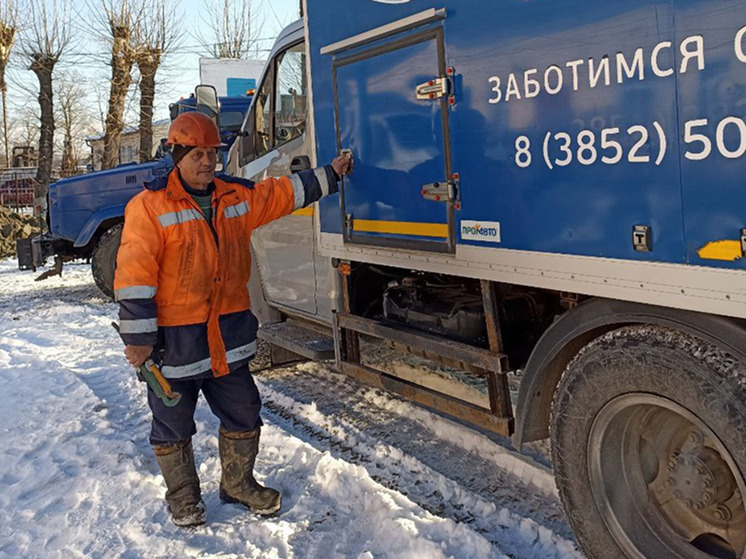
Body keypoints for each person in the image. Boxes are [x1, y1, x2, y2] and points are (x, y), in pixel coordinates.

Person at [114, 111, 351, 527]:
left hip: (226, 336)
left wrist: (330, 174)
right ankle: (184, 497)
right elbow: (134, 277)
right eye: (197, 154)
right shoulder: (148, 208)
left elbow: (282, 194)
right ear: (177, 154)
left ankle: (238, 484)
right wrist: (139, 338)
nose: (207, 162)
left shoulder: (236, 196)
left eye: (212, 153)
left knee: (244, 410)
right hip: (175, 343)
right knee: (172, 422)